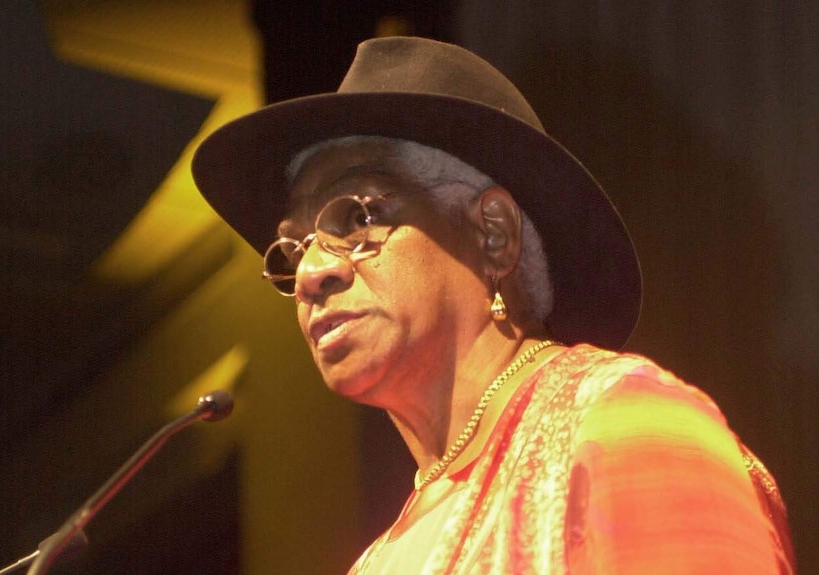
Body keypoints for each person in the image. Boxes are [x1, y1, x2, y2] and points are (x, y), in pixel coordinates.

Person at [192, 36, 795, 574]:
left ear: (493, 233)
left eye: (356, 216)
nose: (311, 274)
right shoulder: (377, 562)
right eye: (292, 250)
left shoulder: (619, 423)